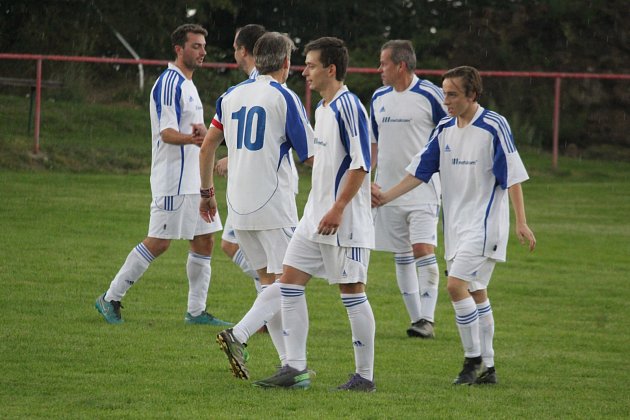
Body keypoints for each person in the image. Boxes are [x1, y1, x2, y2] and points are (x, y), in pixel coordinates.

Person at [372, 66, 536, 385]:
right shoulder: (445, 128)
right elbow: (419, 172)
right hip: (457, 228)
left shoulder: (493, 125)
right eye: (445, 93)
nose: (446, 100)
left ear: (472, 95)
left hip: (486, 225)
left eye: (453, 94)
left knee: (455, 286)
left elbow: (513, 176)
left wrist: (522, 222)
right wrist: (385, 197)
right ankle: (489, 368)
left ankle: (471, 359)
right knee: (476, 291)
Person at [252, 37, 376, 392]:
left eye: (310, 65)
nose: (303, 71)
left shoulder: (348, 106)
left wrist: (339, 208)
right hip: (313, 218)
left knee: (352, 291)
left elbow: (361, 163)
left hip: (344, 221)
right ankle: (294, 367)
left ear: (331, 69)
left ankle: (364, 377)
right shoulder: (321, 109)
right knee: (288, 283)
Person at [95, 24, 231, 327]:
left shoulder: (188, 85)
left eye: (203, 45)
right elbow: (167, 133)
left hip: (194, 181)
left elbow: (188, 132)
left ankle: (196, 312)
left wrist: (198, 134)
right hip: (173, 179)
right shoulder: (168, 84)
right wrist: (195, 138)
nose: (202, 51)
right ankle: (110, 297)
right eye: (195, 46)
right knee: (159, 242)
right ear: (178, 49)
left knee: (204, 239)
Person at [199, 32, 314, 380]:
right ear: (286, 63)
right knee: (292, 282)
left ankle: (290, 367)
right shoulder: (284, 97)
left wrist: (207, 193)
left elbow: (207, 149)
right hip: (273, 204)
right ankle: (241, 334)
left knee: (271, 284)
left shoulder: (230, 96)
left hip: (239, 207)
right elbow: (310, 155)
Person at [370, 40, 446, 339]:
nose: (380, 70)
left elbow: (452, 133)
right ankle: (417, 320)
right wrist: (367, 181)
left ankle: (427, 318)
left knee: (422, 249)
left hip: (423, 190)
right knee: (400, 254)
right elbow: (374, 145)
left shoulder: (430, 95)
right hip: (385, 192)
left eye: (384, 63)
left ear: (401, 65)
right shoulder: (378, 98)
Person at [217, 24, 267, 294]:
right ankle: (268, 303)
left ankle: (274, 294)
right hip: (251, 182)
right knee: (241, 246)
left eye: (235, 47)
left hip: (257, 184)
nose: (233, 53)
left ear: (244, 50)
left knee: (236, 246)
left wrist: (233, 159)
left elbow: (263, 140)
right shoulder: (255, 85)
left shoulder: (254, 86)